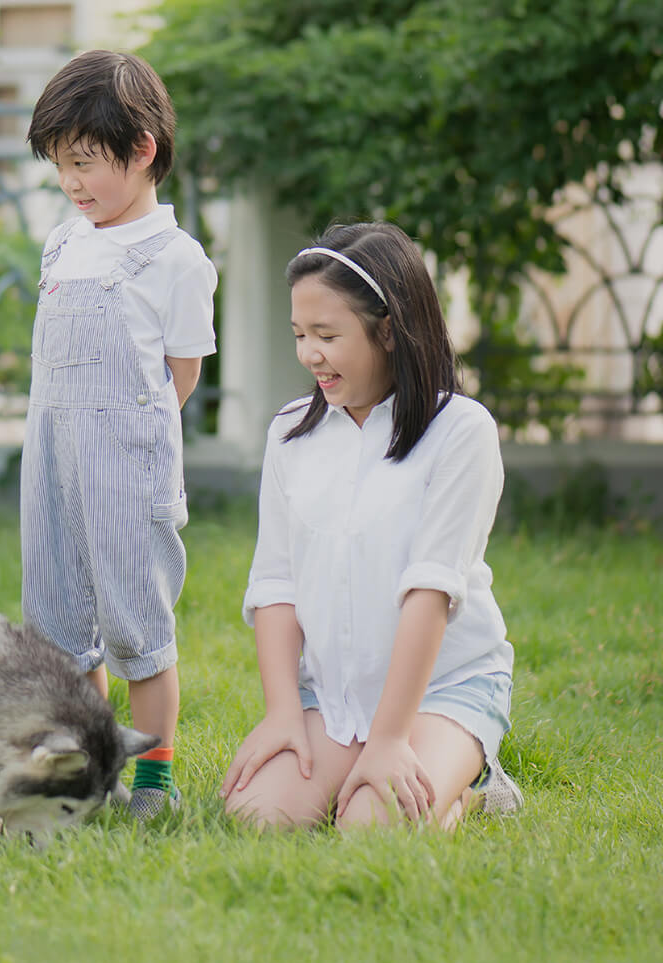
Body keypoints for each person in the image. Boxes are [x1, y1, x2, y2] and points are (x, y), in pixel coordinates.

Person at [220, 221, 524, 831]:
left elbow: (431, 591)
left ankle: (472, 787)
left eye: (327, 335)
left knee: (371, 828)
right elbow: (275, 584)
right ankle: (379, 766)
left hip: (441, 690)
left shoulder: (460, 432)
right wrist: (284, 713)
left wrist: (388, 741)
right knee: (256, 817)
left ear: (389, 330)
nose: (309, 354)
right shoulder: (289, 433)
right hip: (332, 695)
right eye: (300, 334)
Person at [19, 50, 218, 819]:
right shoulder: (65, 243)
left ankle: (155, 779)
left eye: (86, 163)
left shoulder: (174, 259)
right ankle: (87, 766)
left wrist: (126, 441)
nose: (72, 184)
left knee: (138, 624)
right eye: (62, 166)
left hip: (127, 469)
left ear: (142, 150)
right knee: (58, 625)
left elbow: (181, 373)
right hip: (54, 461)